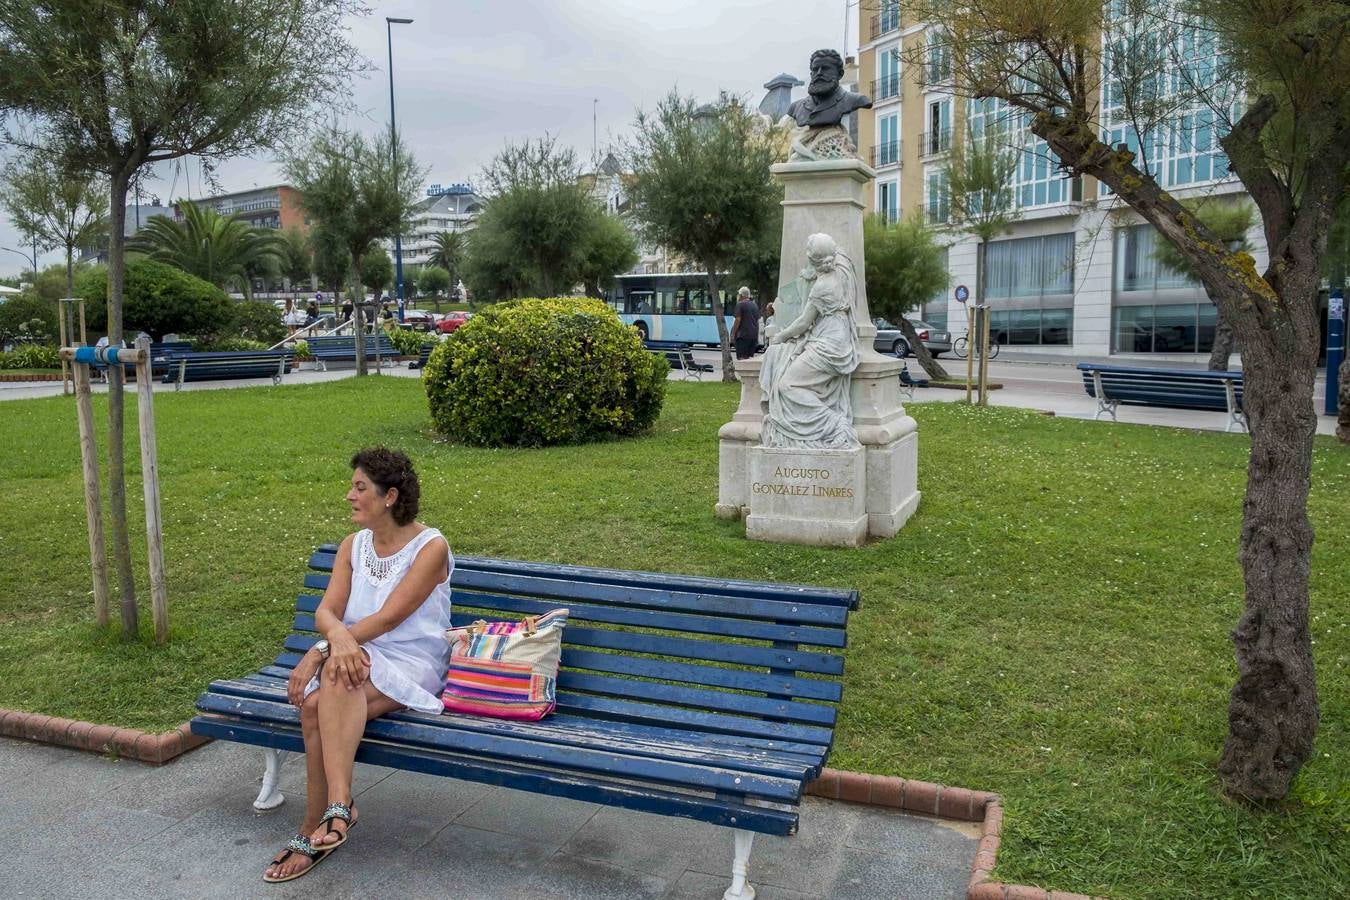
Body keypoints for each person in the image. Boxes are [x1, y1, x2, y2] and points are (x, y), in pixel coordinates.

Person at [262, 448, 453, 884]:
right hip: (356, 653)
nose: (349, 495)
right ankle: (323, 819)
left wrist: (323, 652)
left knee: (334, 674)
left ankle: (335, 809)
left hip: (412, 659)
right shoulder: (354, 545)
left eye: (359, 487)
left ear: (389, 496)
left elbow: (390, 619)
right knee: (314, 706)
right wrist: (333, 643)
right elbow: (326, 613)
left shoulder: (431, 548)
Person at [759, 233, 861, 449]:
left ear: (814, 261)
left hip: (828, 344)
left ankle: (835, 424)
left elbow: (803, 323)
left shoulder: (821, 287)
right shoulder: (844, 270)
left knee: (787, 385)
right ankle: (832, 422)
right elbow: (838, 253)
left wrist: (781, 336)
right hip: (841, 338)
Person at [730, 286, 760, 360]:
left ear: (741, 295)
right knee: (749, 360)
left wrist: (733, 334)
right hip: (753, 336)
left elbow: (738, 319)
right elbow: (757, 321)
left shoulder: (740, 305)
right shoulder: (755, 305)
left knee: (741, 358)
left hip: (742, 336)